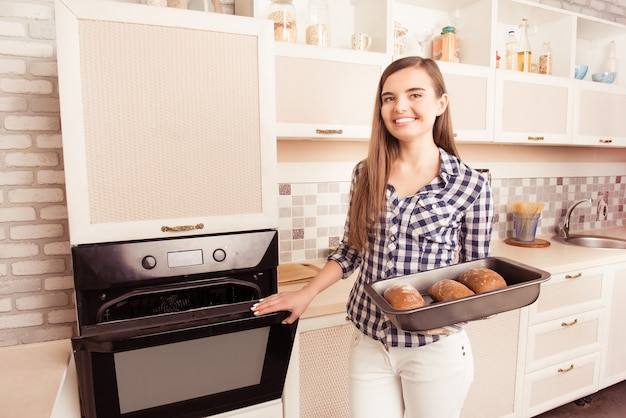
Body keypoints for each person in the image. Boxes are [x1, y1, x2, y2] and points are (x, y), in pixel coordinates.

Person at [252, 56, 493, 418]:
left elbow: (475, 274)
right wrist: (306, 294)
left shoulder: (472, 185)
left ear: (441, 103)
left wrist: (452, 318)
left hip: (434, 346)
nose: (400, 107)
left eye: (415, 95)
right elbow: (351, 250)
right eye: (389, 98)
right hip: (370, 340)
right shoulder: (367, 172)